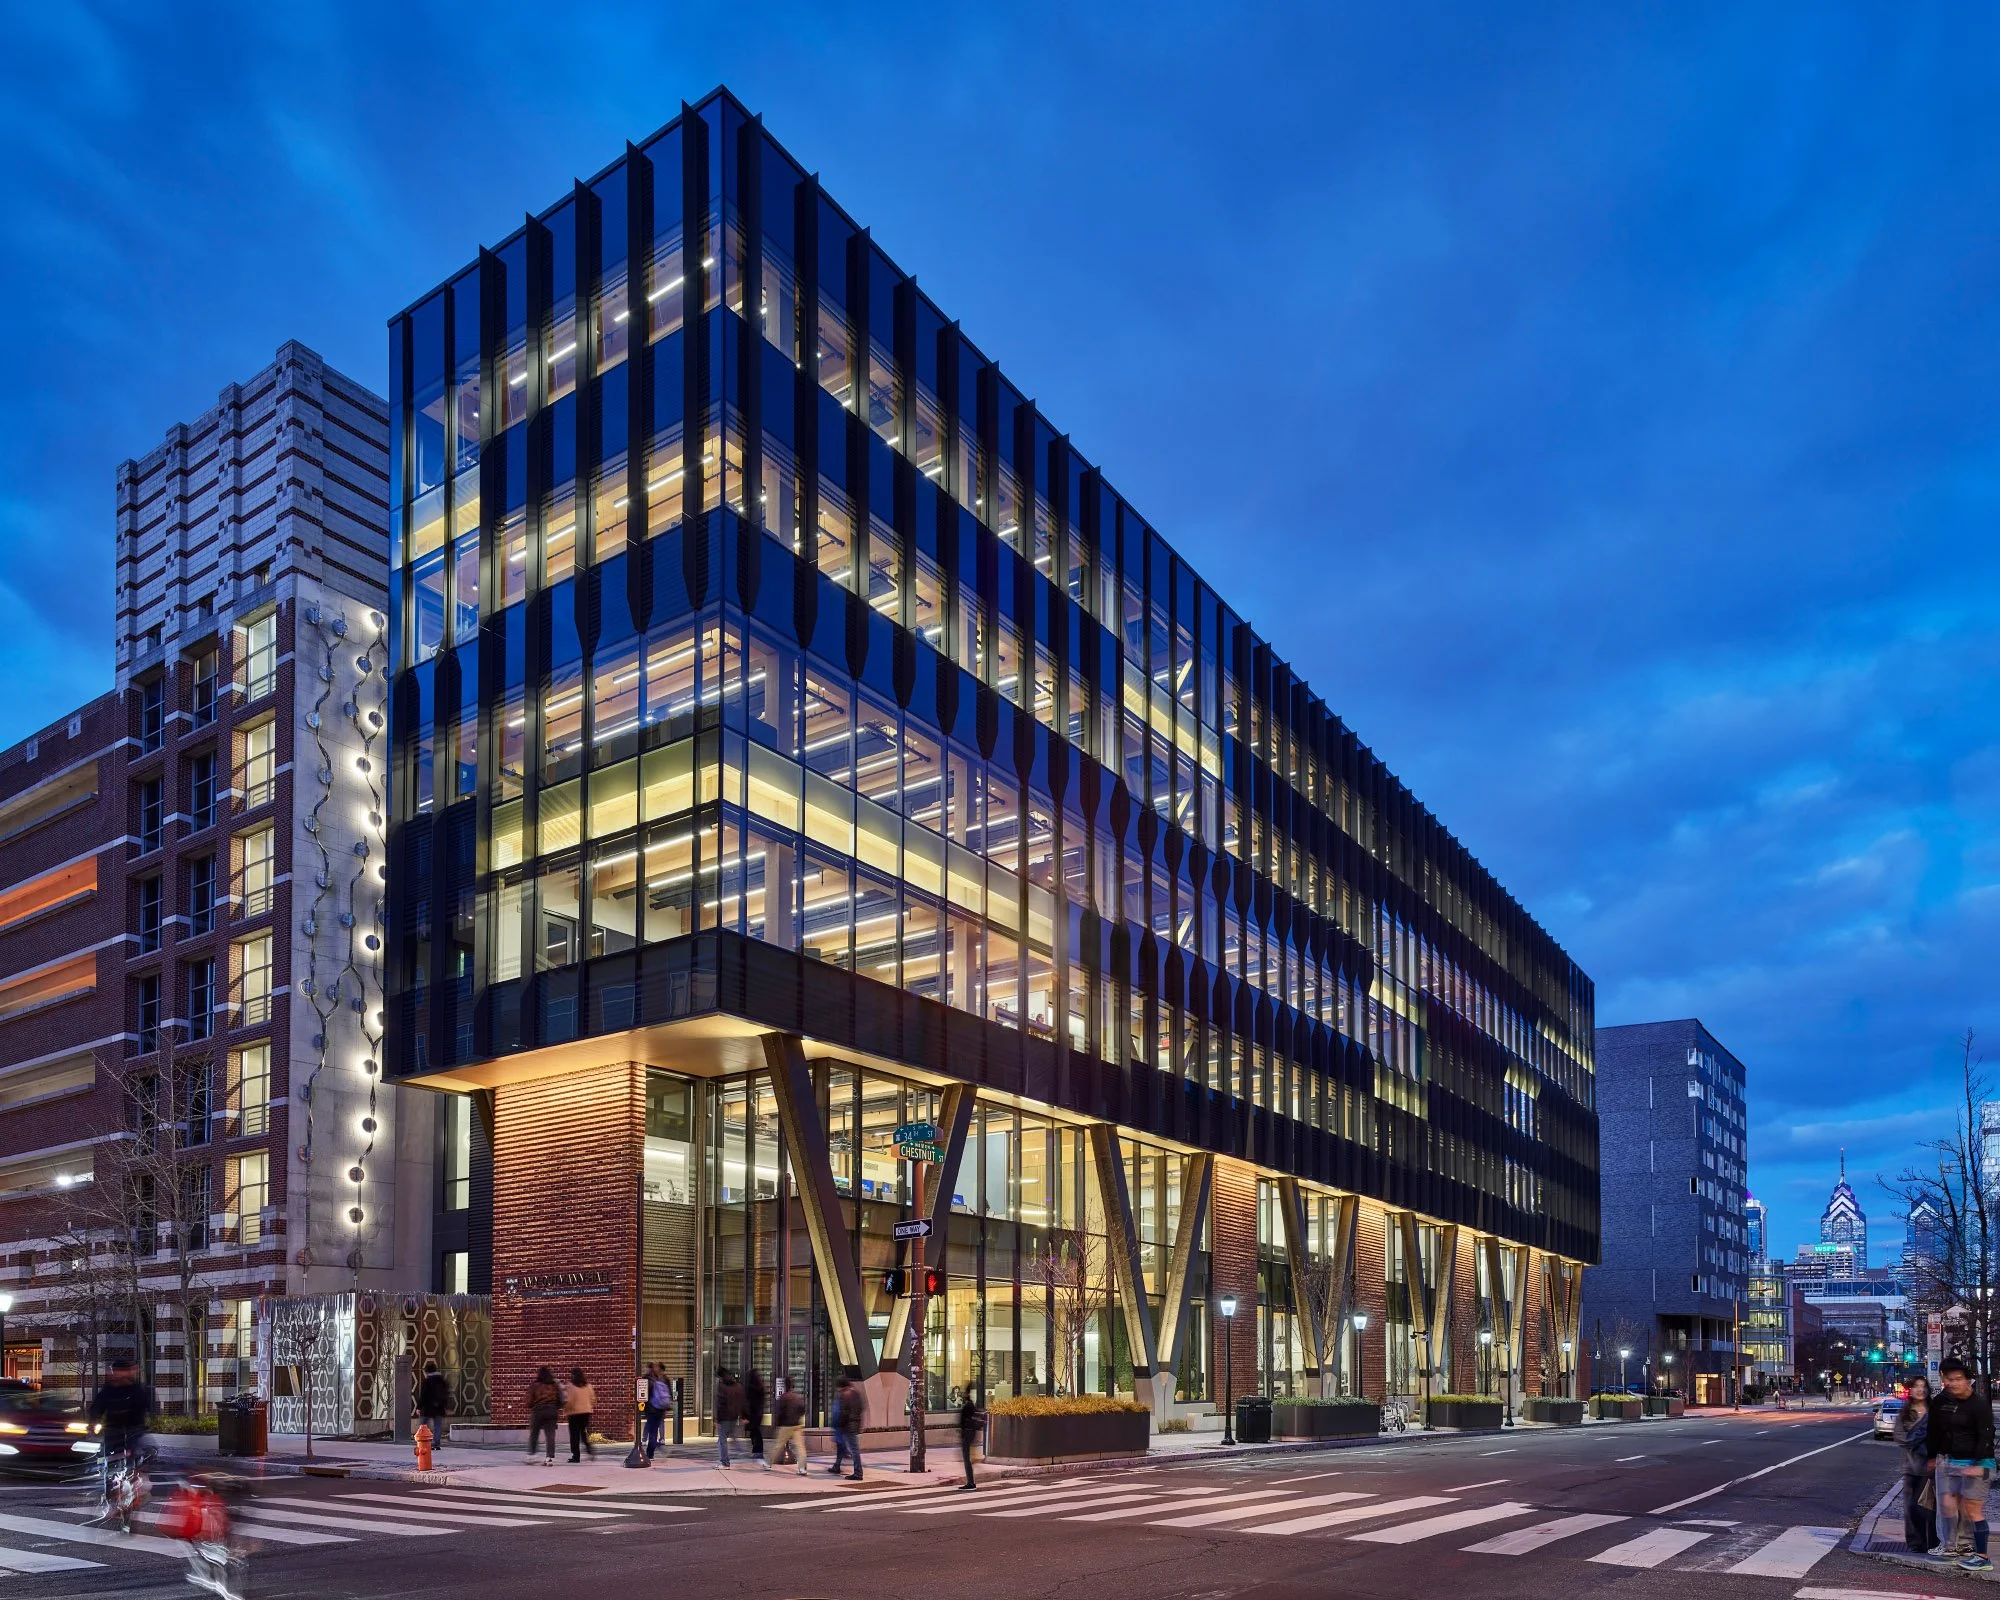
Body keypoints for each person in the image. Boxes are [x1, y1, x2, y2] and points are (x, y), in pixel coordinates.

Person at [1930, 1359, 1994, 1570]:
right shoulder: (1948, 1402)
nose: (1954, 1383)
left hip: (1982, 1465)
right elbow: (1938, 1430)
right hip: (1955, 1462)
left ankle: (1982, 1557)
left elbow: (1986, 1437)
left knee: (1973, 1510)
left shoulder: (1978, 1405)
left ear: (1968, 1380)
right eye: (1949, 1379)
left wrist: (1978, 1464)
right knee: (1949, 1506)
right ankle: (1958, 1546)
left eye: (1958, 1379)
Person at [89, 1358, 154, 1471]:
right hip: (113, 1429)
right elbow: (97, 1407)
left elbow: (145, 1406)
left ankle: (137, 1473)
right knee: (109, 1456)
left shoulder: (137, 1389)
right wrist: (93, 1424)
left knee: (144, 1452)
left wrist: (145, 1424)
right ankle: (110, 1477)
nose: (118, 1375)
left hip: (134, 1429)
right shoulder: (109, 1390)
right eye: (116, 1371)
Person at [1896, 1376, 1937, 1555]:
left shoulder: (1934, 1411)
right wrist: (1921, 1434)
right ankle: (1915, 1543)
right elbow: (1900, 1437)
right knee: (1911, 1508)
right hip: (1910, 1467)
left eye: (1923, 1386)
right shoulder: (1905, 1413)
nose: (1920, 1390)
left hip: (1931, 1467)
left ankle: (1932, 1543)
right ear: (1910, 1390)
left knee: (1929, 1509)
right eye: (1916, 1386)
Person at [828, 1374, 864, 1481]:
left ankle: (858, 1473)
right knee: (843, 1447)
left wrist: (839, 1425)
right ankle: (837, 1466)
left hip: (846, 1426)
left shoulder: (843, 1395)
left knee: (853, 1450)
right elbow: (861, 1408)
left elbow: (842, 1413)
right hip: (854, 1424)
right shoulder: (856, 1393)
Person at [770, 1376, 808, 1475]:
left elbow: (780, 1412)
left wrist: (779, 1423)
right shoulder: (797, 1397)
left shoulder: (784, 1397)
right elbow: (802, 1409)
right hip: (797, 1425)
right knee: (800, 1447)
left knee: (778, 1445)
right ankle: (802, 1468)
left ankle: (769, 1463)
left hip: (786, 1425)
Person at [526, 1366, 562, 1466]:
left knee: (534, 1433)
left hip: (538, 1411)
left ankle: (532, 1456)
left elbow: (529, 1401)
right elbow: (560, 1400)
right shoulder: (554, 1385)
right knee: (550, 1435)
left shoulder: (535, 1385)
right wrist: (554, 1407)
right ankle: (549, 1458)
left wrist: (533, 1406)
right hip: (552, 1411)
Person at [417, 1360, 452, 1452]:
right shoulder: (441, 1380)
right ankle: (436, 1443)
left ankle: (424, 1441)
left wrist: (419, 1407)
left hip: (428, 1407)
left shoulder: (427, 1381)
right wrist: (445, 1405)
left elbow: (423, 1395)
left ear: (427, 1371)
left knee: (423, 1425)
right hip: (439, 1407)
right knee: (438, 1426)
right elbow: (446, 1393)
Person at [565, 1367, 597, 1463]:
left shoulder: (570, 1386)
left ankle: (576, 1456)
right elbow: (593, 1399)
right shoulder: (588, 1386)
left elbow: (569, 1401)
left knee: (574, 1435)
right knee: (583, 1433)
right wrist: (588, 1406)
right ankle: (590, 1450)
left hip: (574, 1413)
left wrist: (566, 1409)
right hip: (586, 1412)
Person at [714, 1368, 743, 1469]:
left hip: (724, 1417)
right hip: (734, 1416)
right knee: (732, 1435)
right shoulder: (738, 1386)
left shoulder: (722, 1387)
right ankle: (742, 1451)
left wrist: (717, 1419)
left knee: (722, 1440)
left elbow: (720, 1404)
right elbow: (742, 1401)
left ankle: (725, 1463)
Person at [641, 1363, 670, 1462]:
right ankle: (653, 1449)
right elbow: (668, 1394)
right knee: (653, 1429)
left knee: (652, 1431)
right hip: (660, 1408)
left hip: (651, 1409)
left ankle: (651, 1453)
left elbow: (643, 1395)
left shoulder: (648, 1379)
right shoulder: (664, 1379)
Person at [957, 1388, 984, 1491]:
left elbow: (966, 1421)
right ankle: (970, 1481)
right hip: (969, 1433)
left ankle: (970, 1482)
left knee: (966, 1459)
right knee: (967, 1459)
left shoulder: (968, 1406)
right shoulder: (970, 1405)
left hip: (967, 1434)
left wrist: (963, 1430)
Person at [742, 1367, 768, 1470]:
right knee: (755, 1432)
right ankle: (757, 1451)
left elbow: (747, 1402)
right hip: (758, 1414)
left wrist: (745, 1415)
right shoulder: (760, 1387)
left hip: (752, 1414)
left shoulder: (750, 1388)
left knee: (755, 1432)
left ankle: (757, 1451)